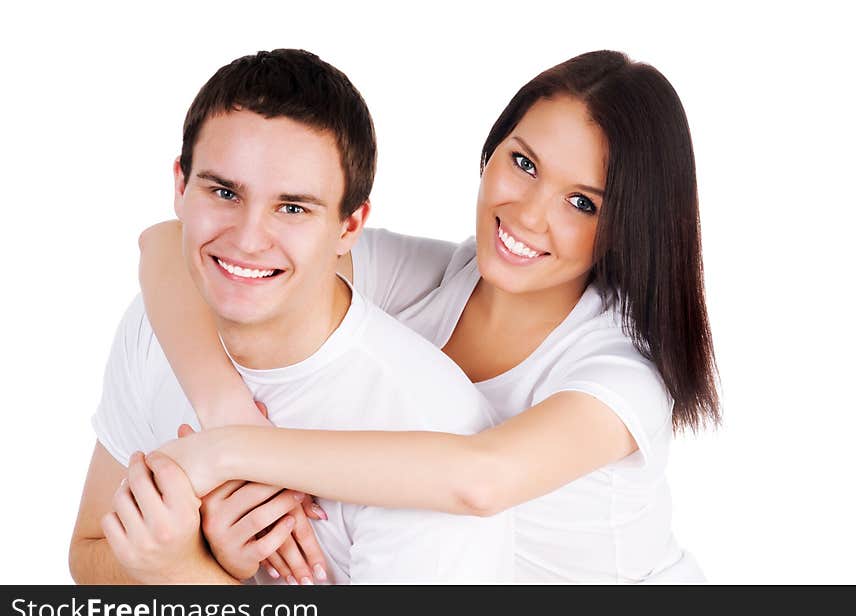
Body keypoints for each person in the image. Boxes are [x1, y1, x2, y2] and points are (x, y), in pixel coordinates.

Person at [142, 49, 721, 583]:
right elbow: (167, 244)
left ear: (630, 225)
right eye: (523, 163)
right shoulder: (434, 279)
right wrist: (224, 410)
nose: (529, 213)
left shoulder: (623, 373)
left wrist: (227, 453)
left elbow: (480, 480)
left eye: (582, 202)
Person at [68, 48, 513, 585]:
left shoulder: (425, 422)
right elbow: (88, 556)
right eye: (225, 191)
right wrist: (204, 558)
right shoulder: (157, 322)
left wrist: (186, 572)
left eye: (293, 207)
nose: (249, 239)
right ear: (181, 188)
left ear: (350, 227)